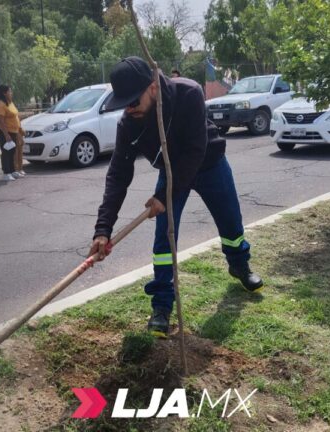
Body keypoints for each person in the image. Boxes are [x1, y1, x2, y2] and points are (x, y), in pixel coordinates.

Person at [88, 57, 263, 338]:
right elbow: (118, 175)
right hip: (169, 175)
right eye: (124, 103)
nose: (129, 108)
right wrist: (103, 229)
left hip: (209, 163)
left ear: (153, 88)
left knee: (231, 223)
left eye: (134, 100)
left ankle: (239, 265)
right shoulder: (129, 123)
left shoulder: (189, 93)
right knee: (164, 241)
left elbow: (195, 150)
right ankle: (161, 306)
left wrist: (162, 195)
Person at [0, 85, 26, 182]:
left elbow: (15, 116)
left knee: (12, 152)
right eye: (9, 91)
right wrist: (6, 135)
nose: (11, 93)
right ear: (4, 93)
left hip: (14, 131)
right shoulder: (0, 105)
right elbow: (1, 121)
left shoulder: (10, 102)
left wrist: (19, 128)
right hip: (4, 132)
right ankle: (6, 173)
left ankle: (13, 171)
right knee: (6, 153)